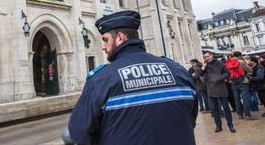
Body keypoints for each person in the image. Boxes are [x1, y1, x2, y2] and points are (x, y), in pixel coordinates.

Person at [67, 11, 198, 145]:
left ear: (120, 37)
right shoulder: (179, 71)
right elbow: (191, 119)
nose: (103, 47)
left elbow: (79, 132)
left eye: (105, 40)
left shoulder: (101, 80)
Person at [202, 51, 236, 133]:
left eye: (208, 56)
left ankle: (230, 125)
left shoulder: (219, 63)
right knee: (214, 109)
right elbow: (201, 74)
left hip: (221, 88)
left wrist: (219, 78)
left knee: (226, 108)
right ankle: (218, 126)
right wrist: (203, 68)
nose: (207, 58)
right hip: (210, 90)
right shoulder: (206, 65)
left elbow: (227, 73)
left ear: (212, 56)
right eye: (205, 57)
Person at [226, 51, 256, 120]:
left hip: (233, 82)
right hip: (242, 81)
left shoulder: (228, 62)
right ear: (239, 56)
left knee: (236, 98)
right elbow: (250, 70)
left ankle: (240, 114)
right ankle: (247, 115)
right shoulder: (241, 62)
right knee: (245, 98)